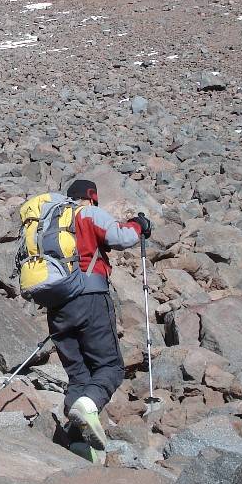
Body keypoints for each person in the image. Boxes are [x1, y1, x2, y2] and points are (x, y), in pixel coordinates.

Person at [52, 179, 151, 454]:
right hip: (90, 298)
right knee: (110, 367)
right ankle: (89, 405)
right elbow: (122, 238)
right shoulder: (87, 213)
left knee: (78, 375)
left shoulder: (53, 221)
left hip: (57, 306)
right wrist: (139, 225)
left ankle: (77, 443)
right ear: (92, 197)